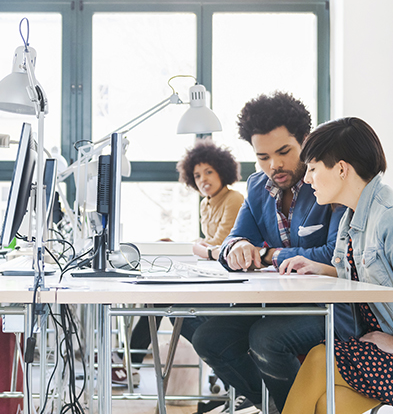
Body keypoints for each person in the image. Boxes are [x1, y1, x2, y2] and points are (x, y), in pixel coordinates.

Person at [190, 92, 352, 414]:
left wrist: (266, 255)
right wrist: (236, 249)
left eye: (284, 152)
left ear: (306, 141)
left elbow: (332, 254)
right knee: (209, 337)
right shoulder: (255, 187)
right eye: (262, 156)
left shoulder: (327, 180)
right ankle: (278, 407)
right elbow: (233, 241)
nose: (274, 165)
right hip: (281, 301)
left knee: (266, 339)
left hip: (333, 305)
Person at [278, 117, 393, 414]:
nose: (306, 179)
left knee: (320, 358)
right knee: (326, 403)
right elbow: (374, 273)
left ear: (342, 169)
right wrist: (324, 269)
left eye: (314, 169)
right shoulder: (352, 217)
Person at [121, 139, 244, 387]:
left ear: (223, 171)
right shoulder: (206, 204)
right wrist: (178, 244)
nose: (203, 179)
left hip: (229, 280)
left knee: (161, 300)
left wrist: (187, 246)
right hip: (212, 274)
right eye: (197, 175)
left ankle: (130, 363)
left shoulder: (233, 198)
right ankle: (130, 362)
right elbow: (206, 242)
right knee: (159, 299)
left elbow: (216, 244)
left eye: (209, 171)